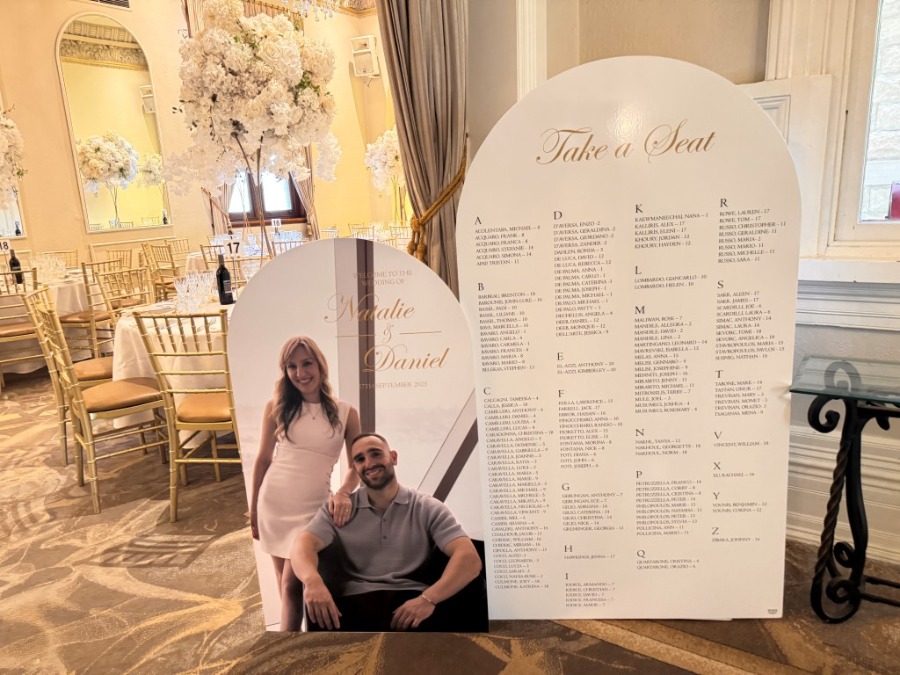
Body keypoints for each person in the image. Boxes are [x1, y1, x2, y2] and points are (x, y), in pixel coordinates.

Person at [290, 433, 484, 632]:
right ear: (355, 469)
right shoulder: (337, 509)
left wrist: (428, 599)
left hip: (413, 603)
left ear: (393, 457)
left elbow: (470, 559)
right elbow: (302, 546)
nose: (369, 463)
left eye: (375, 454)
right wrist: (312, 582)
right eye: (360, 459)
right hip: (353, 604)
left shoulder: (426, 507)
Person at [249, 336, 361, 631]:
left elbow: (356, 467)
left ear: (321, 365)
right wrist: (253, 510)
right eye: (292, 366)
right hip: (274, 503)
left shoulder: (346, 413)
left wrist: (343, 492)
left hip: (313, 507)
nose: (300, 373)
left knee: (292, 581)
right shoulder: (276, 407)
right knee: (284, 583)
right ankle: (293, 641)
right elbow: (263, 459)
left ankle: (286, 645)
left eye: (307, 363)